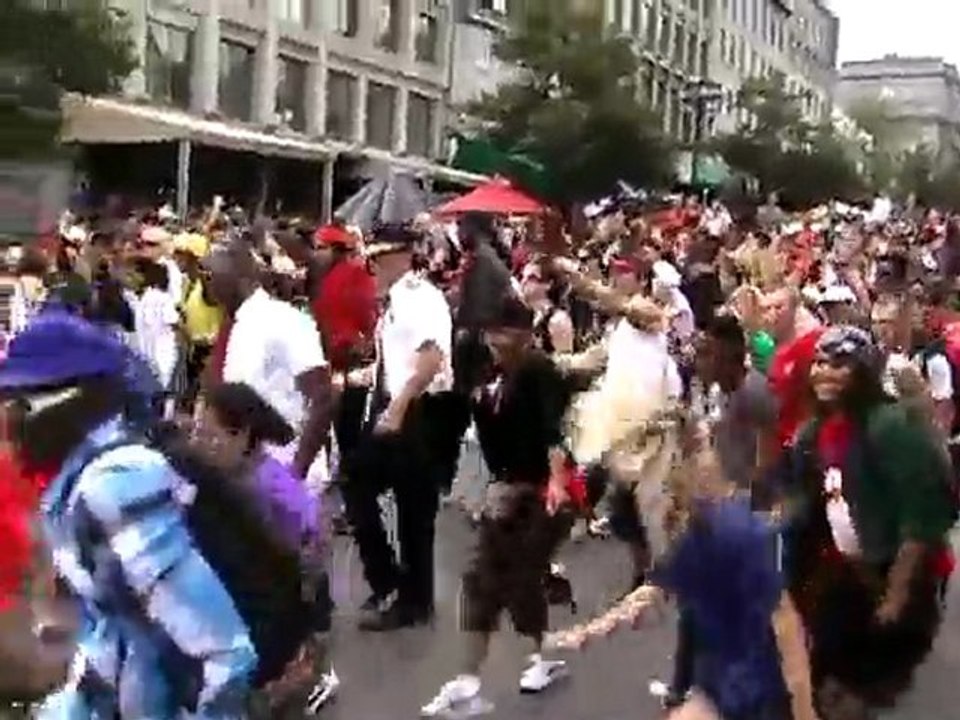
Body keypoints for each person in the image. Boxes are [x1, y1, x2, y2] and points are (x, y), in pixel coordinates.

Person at [0, 310, 255, 718]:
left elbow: (222, 654)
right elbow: (116, 636)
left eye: (13, 408)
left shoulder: (115, 483)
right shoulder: (76, 484)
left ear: (62, 405)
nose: (5, 428)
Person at [783, 326, 954, 720]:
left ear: (863, 371)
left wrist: (895, 593)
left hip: (892, 574)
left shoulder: (891, 425)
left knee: (851, 688)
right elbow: (805, 502)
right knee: (818, 673)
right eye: (820, 363)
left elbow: (922, 517)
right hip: (843, 573)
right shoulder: (816, 430)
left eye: (839, 364)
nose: (825, 372)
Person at [420, 295, 574, 717]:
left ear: (524, 334)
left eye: (502, 331)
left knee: (516, 577)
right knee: (484, 581)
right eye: (489, 331)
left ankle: (536, 658)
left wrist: (555, 484)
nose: (493, 339)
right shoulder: (489, 374)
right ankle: (473, 676)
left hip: (541, 491)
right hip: (505, 487)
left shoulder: (539, 371)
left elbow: (554, 434)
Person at [194, 382, 338, 715]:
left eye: (207, 435)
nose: (198, 445)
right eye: (195, 432)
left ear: (241, 435)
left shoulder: (265, 487)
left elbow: (313, 542)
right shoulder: (238, 478)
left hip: (286, 610)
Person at [343, 224, 453, 631]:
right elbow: (401, 359)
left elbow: (430, 361)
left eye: (379, 257)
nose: (372, 265)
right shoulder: (395, 302)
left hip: (419, 410)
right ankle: (397, 586)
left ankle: (409, 597)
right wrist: (364, 378)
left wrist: (397, 409)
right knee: (372, 490)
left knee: (411, 508)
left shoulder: (417, 298)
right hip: (401, 404)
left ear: (401, 256)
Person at [203, 242, 333, 486]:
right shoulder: (238, 324)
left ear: (240, 278)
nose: (208, 285)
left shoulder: (281, 319)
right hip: (250, 470)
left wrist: (296, 471)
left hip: (283, 467)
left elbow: (323, 396)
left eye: (212, 276)